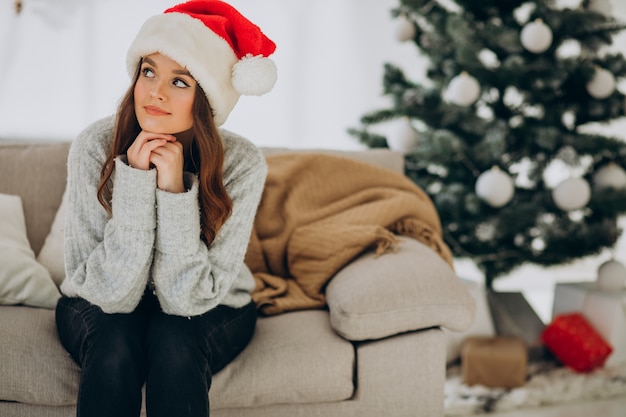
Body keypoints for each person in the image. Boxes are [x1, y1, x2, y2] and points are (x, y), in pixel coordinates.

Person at [54, 1, 277, 416]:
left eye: (180, 81)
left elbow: (187, 300)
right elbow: (108, 295)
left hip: (211, 304)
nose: (155, 92)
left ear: (207, 98)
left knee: (174, 339)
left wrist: (175, 193)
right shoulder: (94, 146)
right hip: (99, 297)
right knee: (115, 342)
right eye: (149, 71)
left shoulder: (243, 164)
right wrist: (136, 183)